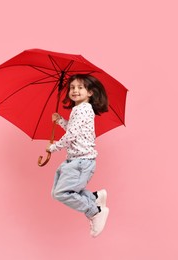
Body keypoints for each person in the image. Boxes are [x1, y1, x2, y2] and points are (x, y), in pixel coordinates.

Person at [46, 74, 110, 237]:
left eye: (80, 87)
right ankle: (94, 197)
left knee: (61, 193)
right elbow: (73, 130)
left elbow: (72, 134)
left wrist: (54, 147)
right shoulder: (79, 110)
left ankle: (94, 211)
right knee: (57, 193)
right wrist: (60, 121)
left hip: (81, 162)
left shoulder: (83, 110)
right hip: (75, 161)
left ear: (90, 92)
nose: (75, 90)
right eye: (72, 87)